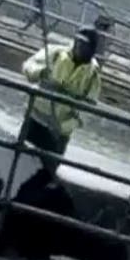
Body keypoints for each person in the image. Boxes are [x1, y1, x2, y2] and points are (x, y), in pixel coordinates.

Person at [21, 25, 102, 174]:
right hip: (35, 120)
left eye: (84, 44)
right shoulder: (55, 53)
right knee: (19, 163)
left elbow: (87, 110)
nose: (79, 46)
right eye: (78, 41)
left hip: (58, 135)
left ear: (91, 49)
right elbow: (27, 67)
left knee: (45, 175)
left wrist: (62, 126)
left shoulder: (93, 75)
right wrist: (40, 72)